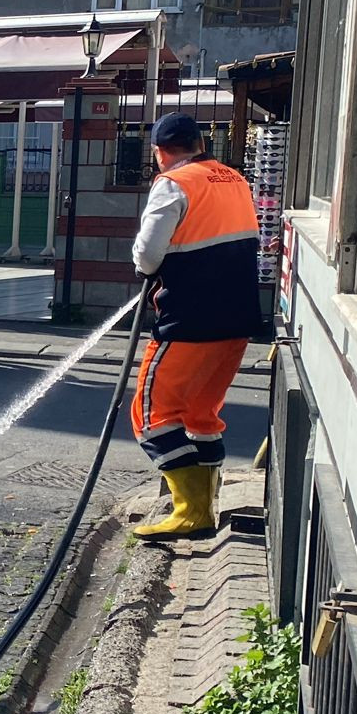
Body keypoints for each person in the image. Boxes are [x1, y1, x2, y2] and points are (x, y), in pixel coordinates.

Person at [128, 112, 264, 540]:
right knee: (201, 416)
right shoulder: (235, 179)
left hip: (189, 319)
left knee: (151, 415)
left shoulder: (174, 183)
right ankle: (206, 507)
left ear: (159, 151)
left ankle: (191, 510)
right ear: (201, 143)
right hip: (237, 319)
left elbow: (148, 255)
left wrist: (146, 267)